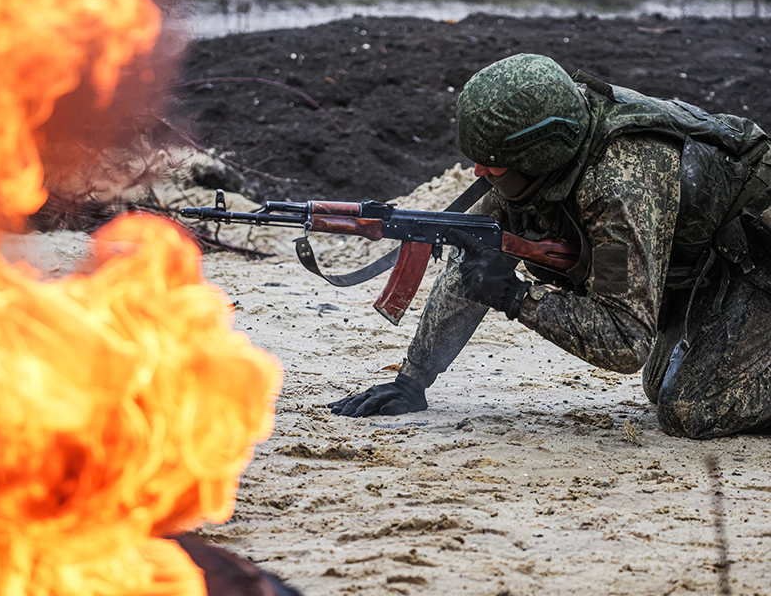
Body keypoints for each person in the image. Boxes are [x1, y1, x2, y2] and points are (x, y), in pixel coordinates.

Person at [328, 53, 771, 439]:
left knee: (690, 410)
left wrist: (518, 297)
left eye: (493, 164)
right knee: (660, 386)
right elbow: (475, 252)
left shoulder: (619, 184)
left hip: (756, 260)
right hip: (705, 264)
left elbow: (625, 339)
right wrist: (413, 380)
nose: (480, 171)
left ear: (536, 153)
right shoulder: (539, 156)